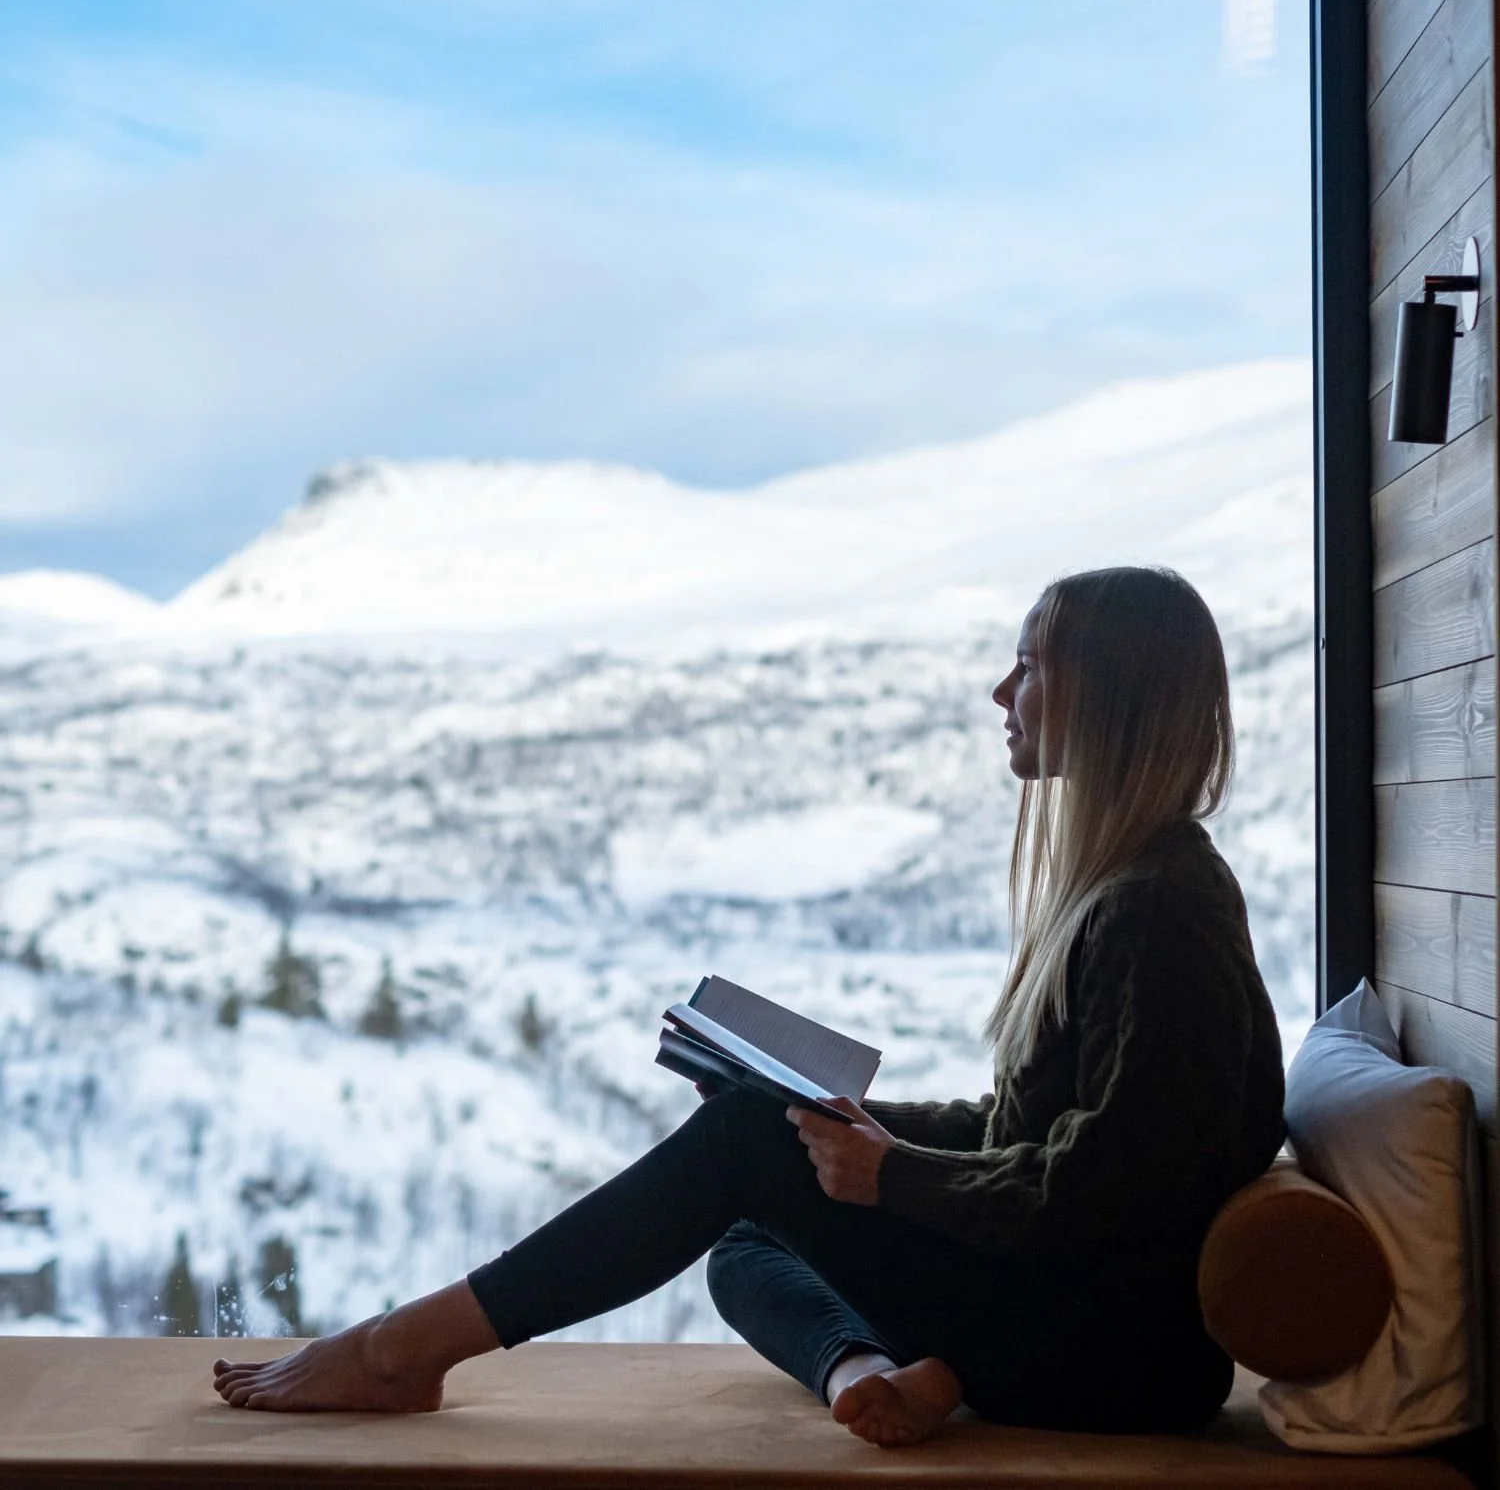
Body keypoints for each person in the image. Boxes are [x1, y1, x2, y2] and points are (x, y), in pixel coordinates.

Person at [213, 565, 1285, 1446]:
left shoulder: (1157, 912)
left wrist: (892, 1173)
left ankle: (402, 1350)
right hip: (1086, 1320)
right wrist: (867, 1133)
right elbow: (1047, 1138)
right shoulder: (1133, 887)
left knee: (738, 1145)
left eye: (1030, 667)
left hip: (1116, 1366)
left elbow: (1106, 1188)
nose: (1001, 696)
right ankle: (870, 1370)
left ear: (1109, 691)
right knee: (745, 1228)